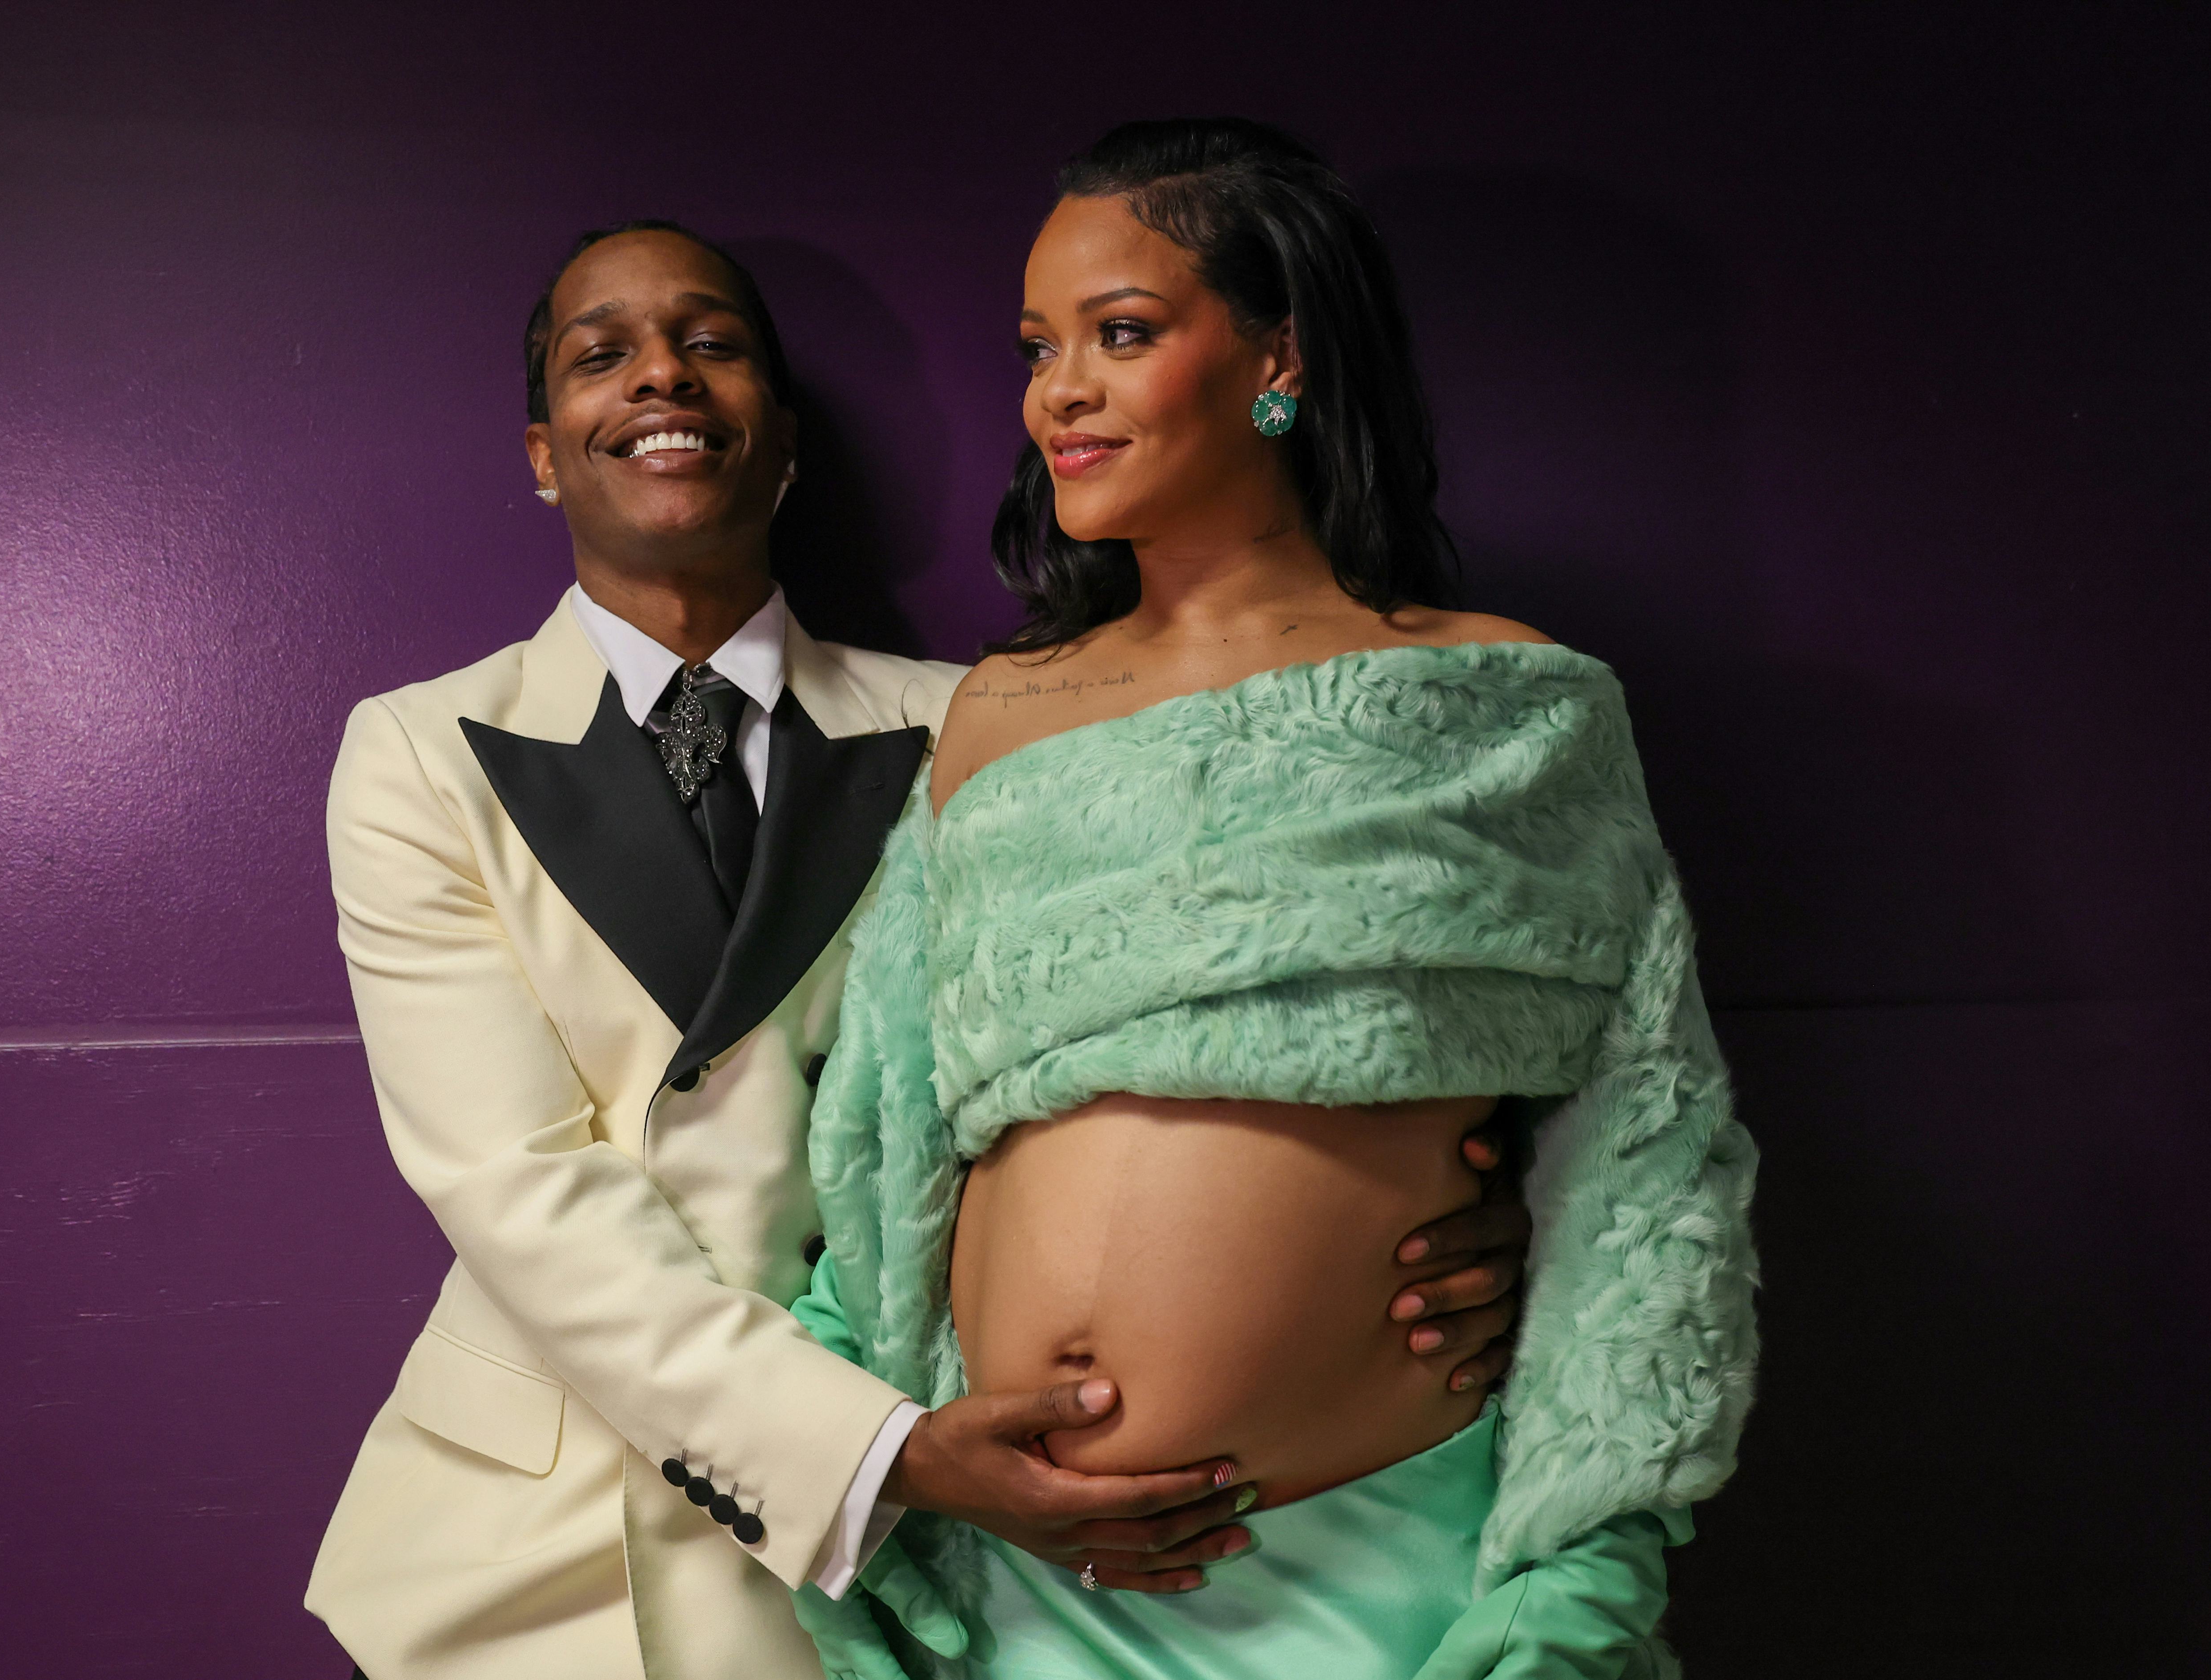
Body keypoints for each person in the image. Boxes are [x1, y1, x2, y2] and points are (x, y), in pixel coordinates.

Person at [303, 218, 1533, 1680]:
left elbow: (1182, 1046)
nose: (661, 379)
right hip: (548, 1544)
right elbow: (514, 1182)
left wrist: (1443, 1228)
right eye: (601, 354)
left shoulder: (985, 719)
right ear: (543, 450)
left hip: (948, 1558)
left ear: (786, 437)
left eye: (712, 345)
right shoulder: (417, 751)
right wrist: (880, 1450)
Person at [791, 120, 1760, 1679]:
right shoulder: (1000, 713)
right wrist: (897, 1446)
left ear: (1277, 355)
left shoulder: (1505, 705)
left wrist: (1583, 1562)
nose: (1059, 391)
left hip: (1377, 1570)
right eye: (1039, 346)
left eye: (1123, 332)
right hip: (1023, 1569)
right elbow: (888, 1131)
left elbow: (1648, 1165)